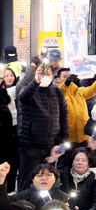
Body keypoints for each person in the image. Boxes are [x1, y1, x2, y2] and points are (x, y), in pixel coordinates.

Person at [17, 63, 69, 191]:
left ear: (52, 76)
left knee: (49, 181)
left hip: (51, 146)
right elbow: (23, 98)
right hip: (31, 146)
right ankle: (22, 207)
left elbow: (63, 115)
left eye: (48, 73)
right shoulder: (27, 89)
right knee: (27, 180)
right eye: (42, 73)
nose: (45, 76)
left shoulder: (57, 92)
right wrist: (36, 81)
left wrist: (62, 140)